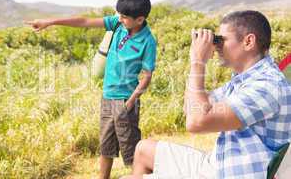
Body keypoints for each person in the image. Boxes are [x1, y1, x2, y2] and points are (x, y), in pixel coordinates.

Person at [121, 10, 291, 179]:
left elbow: (196, 123)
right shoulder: (244, 79)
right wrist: (196, 62)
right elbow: (191, 110)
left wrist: (198, 62)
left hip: (232, 173)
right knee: (143, 149)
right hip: (218, 164)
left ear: (248, 41)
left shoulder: (266, 86)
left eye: (221, 40)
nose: (217, 46)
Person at [26, 0, 157, 179]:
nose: (119, 19)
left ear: (140, 19)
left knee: (132, 153)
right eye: (119, 15)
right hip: (107, 97)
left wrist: (130, 101)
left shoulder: (147, 41)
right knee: (106, 147)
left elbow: (147, 76)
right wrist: (50, 21)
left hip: (125, 101)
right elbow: (84, 21)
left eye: (124, 17)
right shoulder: (117, 24)